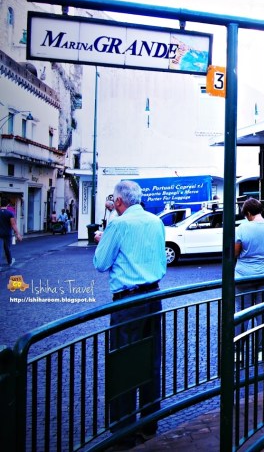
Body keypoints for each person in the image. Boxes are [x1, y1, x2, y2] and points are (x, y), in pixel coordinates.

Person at [93, 181, 166, 448]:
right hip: (153, 296)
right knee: (151, 360)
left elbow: (101, 263)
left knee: (124, 363)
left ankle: (124, 431)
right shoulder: (155, 222)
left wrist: (102, 241)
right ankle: (149, 423)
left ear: (119, 202)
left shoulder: (118, 225)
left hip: (127, 301)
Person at [234, 197, 264, 360]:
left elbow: (235, 252)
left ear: (248, 213)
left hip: (244, 276)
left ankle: (238, 352)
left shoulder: (241, 228)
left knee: (242, 312)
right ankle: (261, 351)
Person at [0, 201, 22, 265]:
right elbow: (13, 224)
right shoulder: (10, 213)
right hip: (7, 233)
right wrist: (18, 234)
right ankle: (9, 261)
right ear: (7, 205)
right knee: (7, 248)